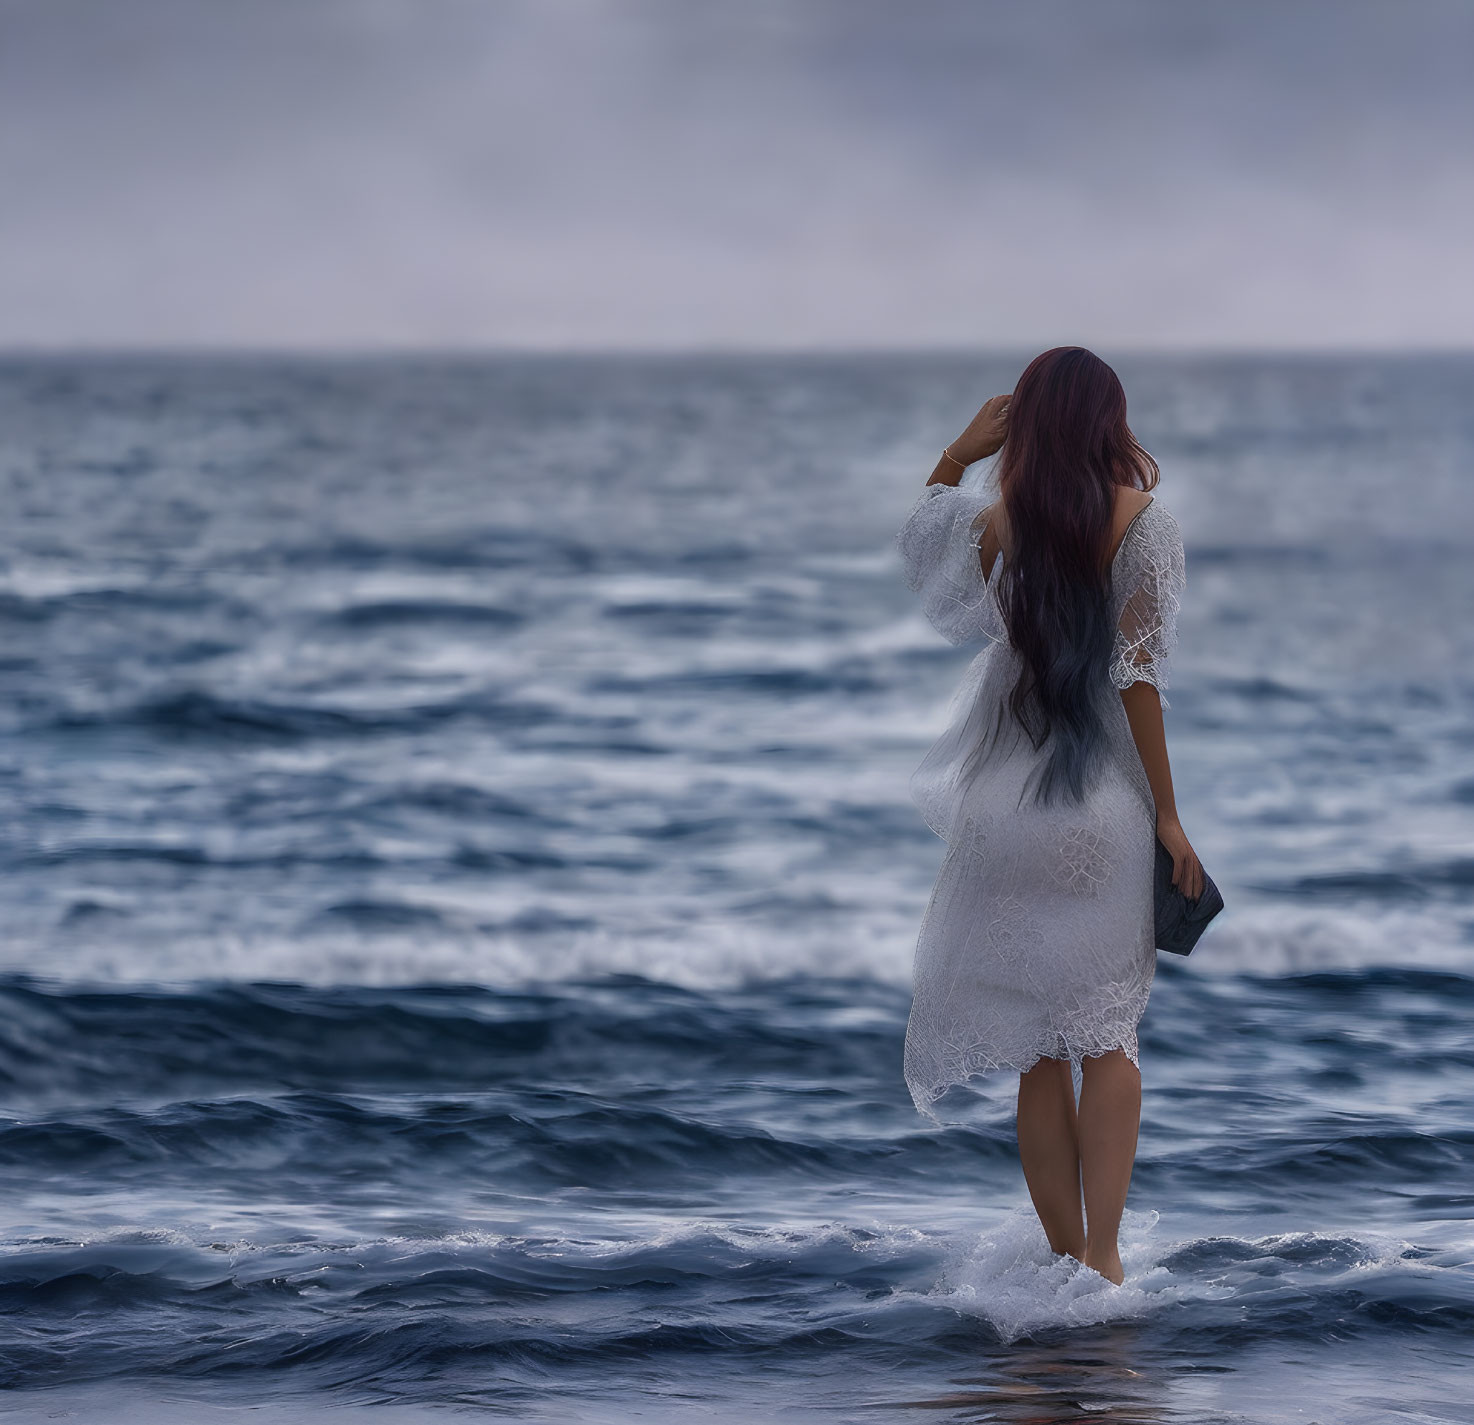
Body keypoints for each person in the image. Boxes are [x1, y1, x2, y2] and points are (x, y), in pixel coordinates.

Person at [895, 346, 1204, 1287]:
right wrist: (1171, 815)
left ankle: (1061, 1259)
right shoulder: (1144, 525)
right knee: (1106, 1041)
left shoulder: (994, 523)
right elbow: (1136, 676)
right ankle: (1104, 1262)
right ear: (1109, 422)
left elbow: (922, 545)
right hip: (1095, 811)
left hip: (1003, 809)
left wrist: (959, 450)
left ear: (1024, 426)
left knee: (1038, 1053)